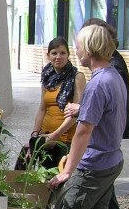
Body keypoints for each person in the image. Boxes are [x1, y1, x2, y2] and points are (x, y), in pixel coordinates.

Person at [48, 24, 128, 209]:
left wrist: (68, 171)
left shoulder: (97, 83)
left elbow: (83, 131)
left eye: (79, 45)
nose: (76, 51)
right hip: (112, 160)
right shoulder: (113, 76)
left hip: (95, 165)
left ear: (90, 49)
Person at [25, 37, 86, 169]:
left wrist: (56, 135)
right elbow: (42, 109)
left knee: (58, 183)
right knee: (43, 181)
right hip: (45, 138)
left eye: (62, 53)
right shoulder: (46, 78)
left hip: (65, 141)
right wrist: (35, 136)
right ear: (48, 56)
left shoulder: (77, 77)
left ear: (68, 55)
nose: (58, 57)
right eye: (54, 53)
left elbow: (77, 113)